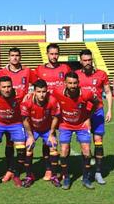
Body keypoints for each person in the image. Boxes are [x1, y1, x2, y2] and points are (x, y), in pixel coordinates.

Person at [0, 47, 37, 182]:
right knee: (9, 143)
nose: (15, 58)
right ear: (8, 57)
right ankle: (10, 169)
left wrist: (31, 93)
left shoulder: (27, 71)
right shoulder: (2, 72)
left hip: (23, 114)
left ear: (20, 57)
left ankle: (22, 170)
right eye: (12, 55)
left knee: (24, 143)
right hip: (7, 114)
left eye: (17, 55)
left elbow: (37, 85)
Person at [52, 71, 99, 190]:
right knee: (63, 150)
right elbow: (48, 99)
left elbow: (96, 102)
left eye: (75, 83)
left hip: (81, 125)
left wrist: (88, 116)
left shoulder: (86, 93)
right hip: (65, 124)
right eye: (70, 83)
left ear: (78, 83)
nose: (72, 86)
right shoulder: (58, 91)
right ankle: (66, 177)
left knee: (87, 150)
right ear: (65, 83)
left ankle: (86, 178)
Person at [34, 43, 71, 180]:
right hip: (47, 111)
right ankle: (48, 169)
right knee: (47, 140)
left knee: (65, 139)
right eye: (52, 54)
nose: (54, 56)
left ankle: (64, 169)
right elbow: (33, 88)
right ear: (47, 54)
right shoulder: (39, 70)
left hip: (64, 109)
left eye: (56, 54)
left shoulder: (65, 68)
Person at [76, 49, 113, 185]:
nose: (87, 63)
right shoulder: (75, 75)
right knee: (85, 144)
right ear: (80, 61)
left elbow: (108, 92)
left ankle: (97, 172)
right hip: (83, 114)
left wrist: (109, 110)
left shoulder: (101, 74)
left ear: (92, 60)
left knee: (98, 140)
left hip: (97, 112)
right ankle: (86, 172)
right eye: (84, 60)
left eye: (89, 60)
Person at [0, 76, 26, 188]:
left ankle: (16, 174)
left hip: (15, 124)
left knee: (21, 151)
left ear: (12, 86)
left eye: (9, 86)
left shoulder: (21, 93)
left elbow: (30, 98)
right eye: (3, 87)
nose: (7, 89)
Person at [20, 79, 61, 188]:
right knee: (28, 148)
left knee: (53, 147)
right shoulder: (27, 102)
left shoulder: (52, 100)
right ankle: (29, 176)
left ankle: (54, 176)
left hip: (47, 128)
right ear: (34, 92)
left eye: (43, 91)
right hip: (33, 129)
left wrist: (52, 134)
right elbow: (25, 120)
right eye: (39, 92)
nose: (41, 94)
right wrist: (30, 136)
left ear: (47, 91)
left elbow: (56, 118)